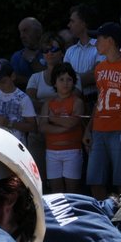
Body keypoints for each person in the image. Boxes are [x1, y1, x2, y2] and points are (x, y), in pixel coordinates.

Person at [85, 23, 121, 198]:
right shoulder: (99, 68)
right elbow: (99, 100)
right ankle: (102, 220)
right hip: (98, 130)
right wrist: (89, 128)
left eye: (98, 39)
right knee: (94, 180)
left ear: (109, 41)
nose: (95, 43)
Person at [40, 63, 86, 193]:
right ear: (54, 83)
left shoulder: (77, 102)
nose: (65, 83)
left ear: (73, 82)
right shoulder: (48, 102)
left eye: (69, 79)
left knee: (72, 192)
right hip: (51, 152)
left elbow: (73, 123)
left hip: (72, 151)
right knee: (56, 192)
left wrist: (53, 119)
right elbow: (42, 126)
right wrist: (64, 126)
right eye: (61, 79)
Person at [0, 58, 37, 140]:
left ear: (13, 76)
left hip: (15, 146)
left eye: (3, 81)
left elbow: (33, 127)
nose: (0, 85)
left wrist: (9, 123)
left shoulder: (23, 99)